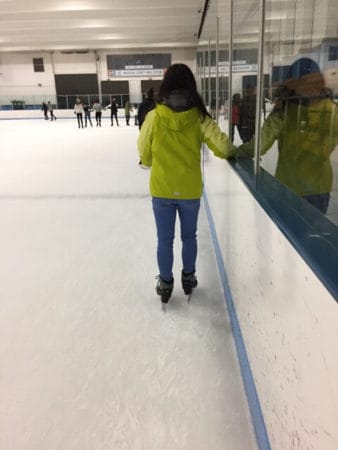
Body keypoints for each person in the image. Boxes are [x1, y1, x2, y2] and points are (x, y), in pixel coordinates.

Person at [137, 63, 236, 305]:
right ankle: (188, 277)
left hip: (162, 189)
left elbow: (143, 150)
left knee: (164, 239)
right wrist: (238, 152)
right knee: (189, 236)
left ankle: (166, 281)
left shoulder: (154, 115)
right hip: (190, 191)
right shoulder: (199, 116)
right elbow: (223, 147)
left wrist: (149, 160)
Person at [238, 57, 338, 214]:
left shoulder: (286, 111)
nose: (306, 89)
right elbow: (260, 145)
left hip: (297, 186)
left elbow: (260, 144)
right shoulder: (331, 110)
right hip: (310, 187)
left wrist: (236, 151)